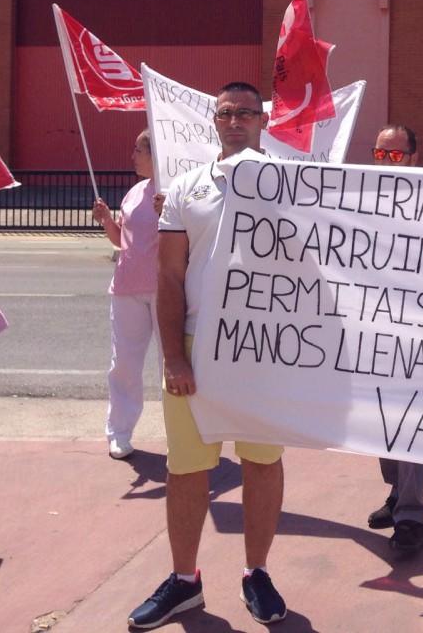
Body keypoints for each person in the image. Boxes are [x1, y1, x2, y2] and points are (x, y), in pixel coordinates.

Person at [128, 83, 287, 630]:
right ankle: (184, 580)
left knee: (262, 463)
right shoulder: (185, 189)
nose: (235, 120)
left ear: (262, 120)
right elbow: (170, 276)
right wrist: (174, 356)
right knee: (187, 469)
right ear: (214, 122)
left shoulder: (295, 186)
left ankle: (256, 572)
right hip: (199, 348)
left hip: (264, 352)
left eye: (246, 112)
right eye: (226, 112)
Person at [365, 123, 423, 556]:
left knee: (412, 423)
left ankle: (411, 513)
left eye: (394, 154)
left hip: (419, 334)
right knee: (381, 423)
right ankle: (396, 492)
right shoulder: (358, 200)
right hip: (372, 330)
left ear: (413, 158)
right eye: (379, 153)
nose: (385, 161)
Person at [92, 129, 164, 460]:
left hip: (166, 290)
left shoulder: (175, 190)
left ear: (154, 153)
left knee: (172, 366)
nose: (132, 156)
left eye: (138, 150)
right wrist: (107, 220)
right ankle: (119, 433)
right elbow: (121, 239)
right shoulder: (135, 192)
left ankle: (183, 437)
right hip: (126, 288)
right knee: (123, 362)